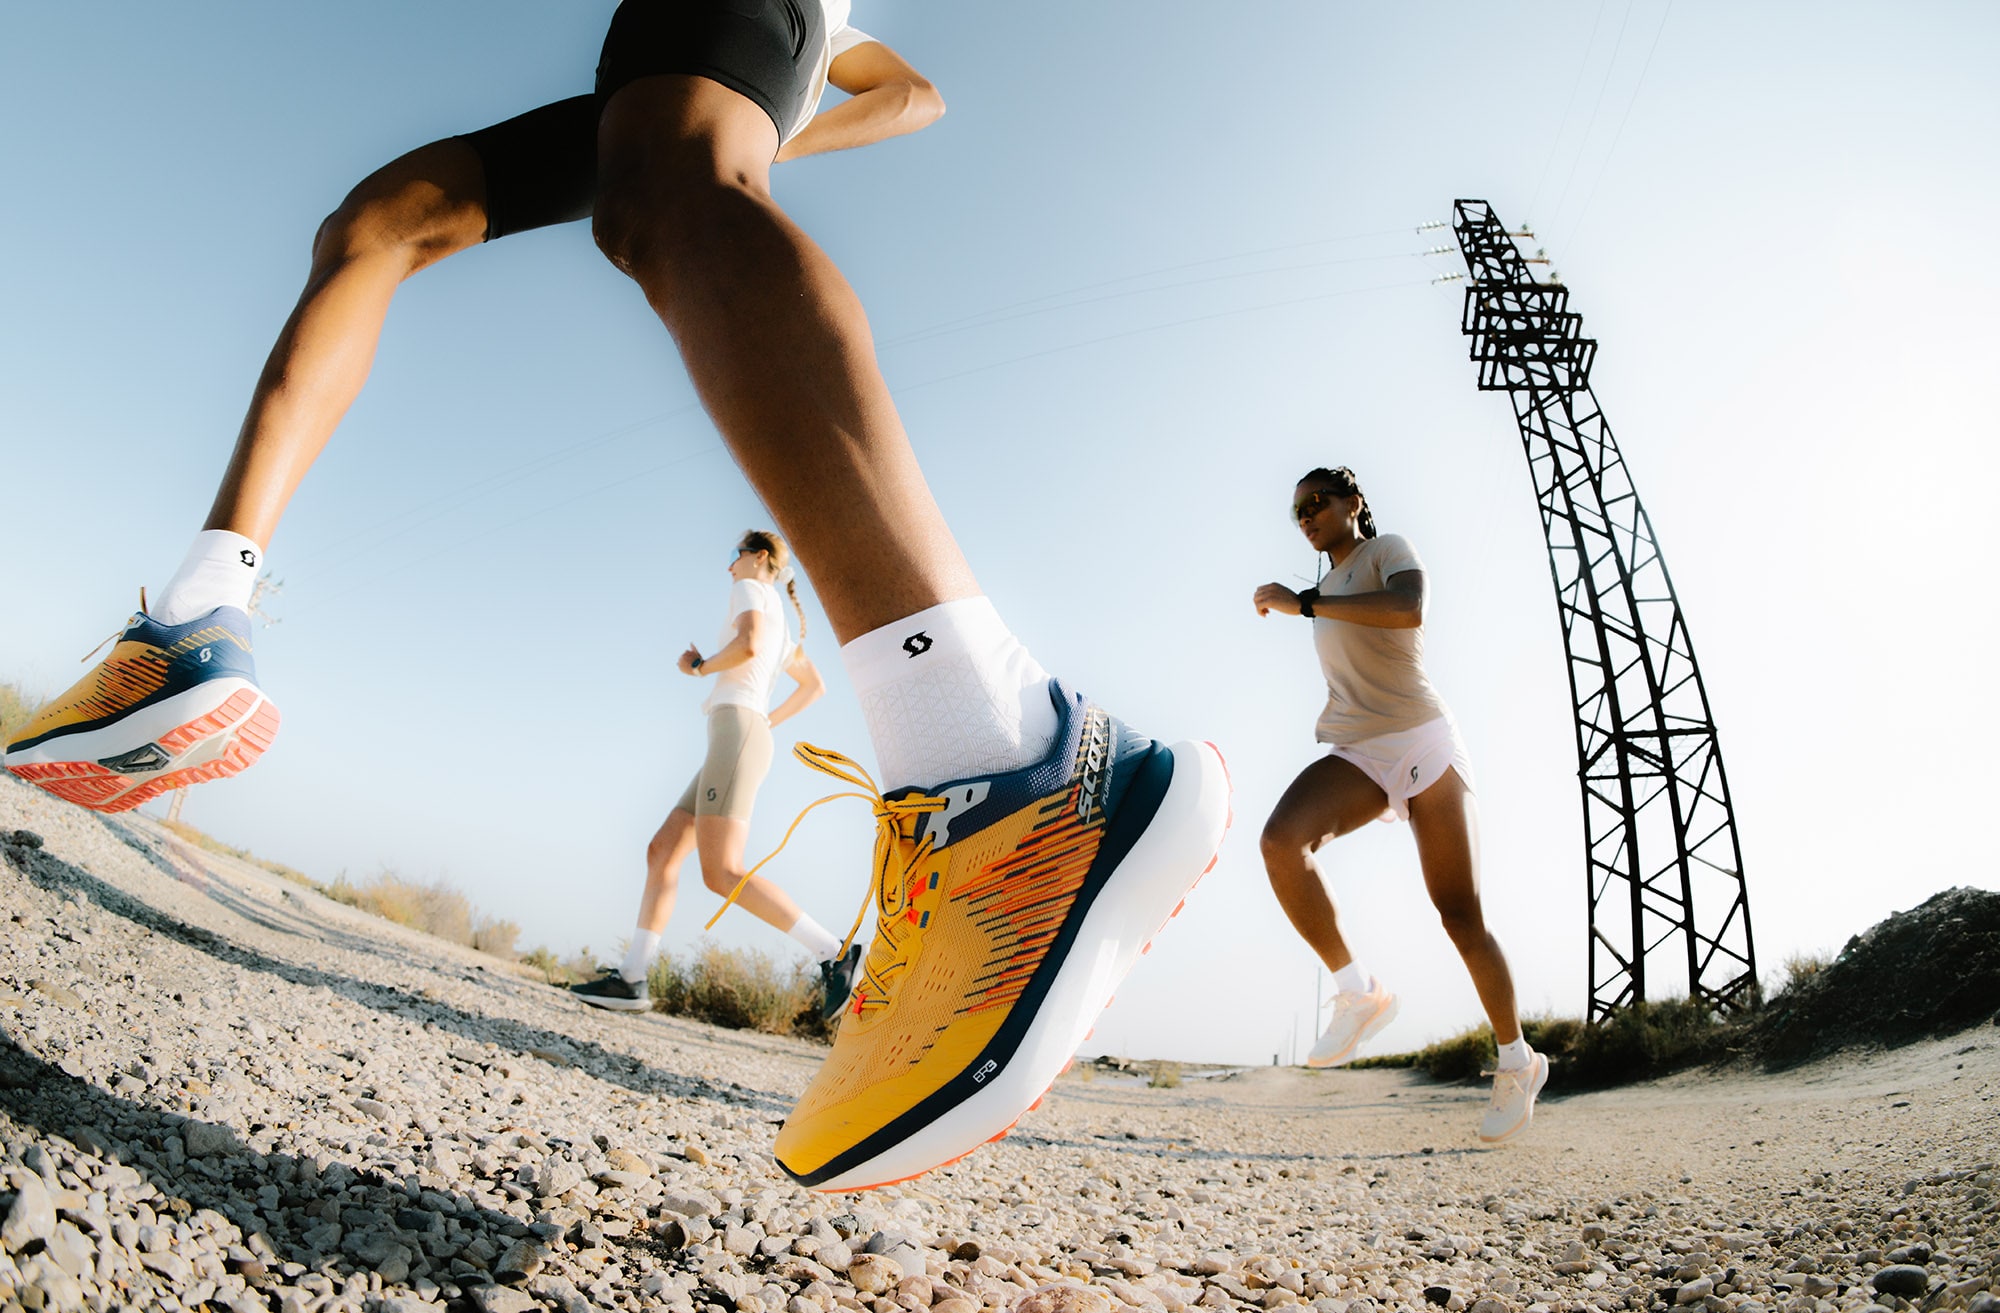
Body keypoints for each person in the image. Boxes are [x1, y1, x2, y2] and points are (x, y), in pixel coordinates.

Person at [6, 2, 1231, 1191]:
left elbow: (908, 94)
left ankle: (1008, 752)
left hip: (697, 84)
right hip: (656, 80)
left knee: (669, 187)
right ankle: (200, 613)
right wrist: (719, 130)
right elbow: (909, 93)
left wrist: (722, 143)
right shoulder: (793, 50)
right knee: (380, 218)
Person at [1253, 466, 1546, 1144]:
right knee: (1279, 843)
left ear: (1355, 503)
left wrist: (1305, 603)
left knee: (1460, 915)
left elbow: (1408, 608)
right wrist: (1310, 600)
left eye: (1317, 501)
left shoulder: (1385, 553)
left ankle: (1516, 1059)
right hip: (1359, 748)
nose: (1306, 515)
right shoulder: (1321, 589)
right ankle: (1360, 990)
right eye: (1297, 508)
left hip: (1422, 740)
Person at [569, 530, 865, 1020]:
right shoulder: (782, 620)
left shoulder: (751, 589)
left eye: (735, 555)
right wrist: (766, 720)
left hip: (737, 730)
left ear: (759, 558)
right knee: (662, 850)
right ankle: (632, 978)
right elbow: (814, 686)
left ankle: (834, 952)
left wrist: (700, 667)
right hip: (737, 733)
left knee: (721, 871)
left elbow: (747, 646)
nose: (729, 566)